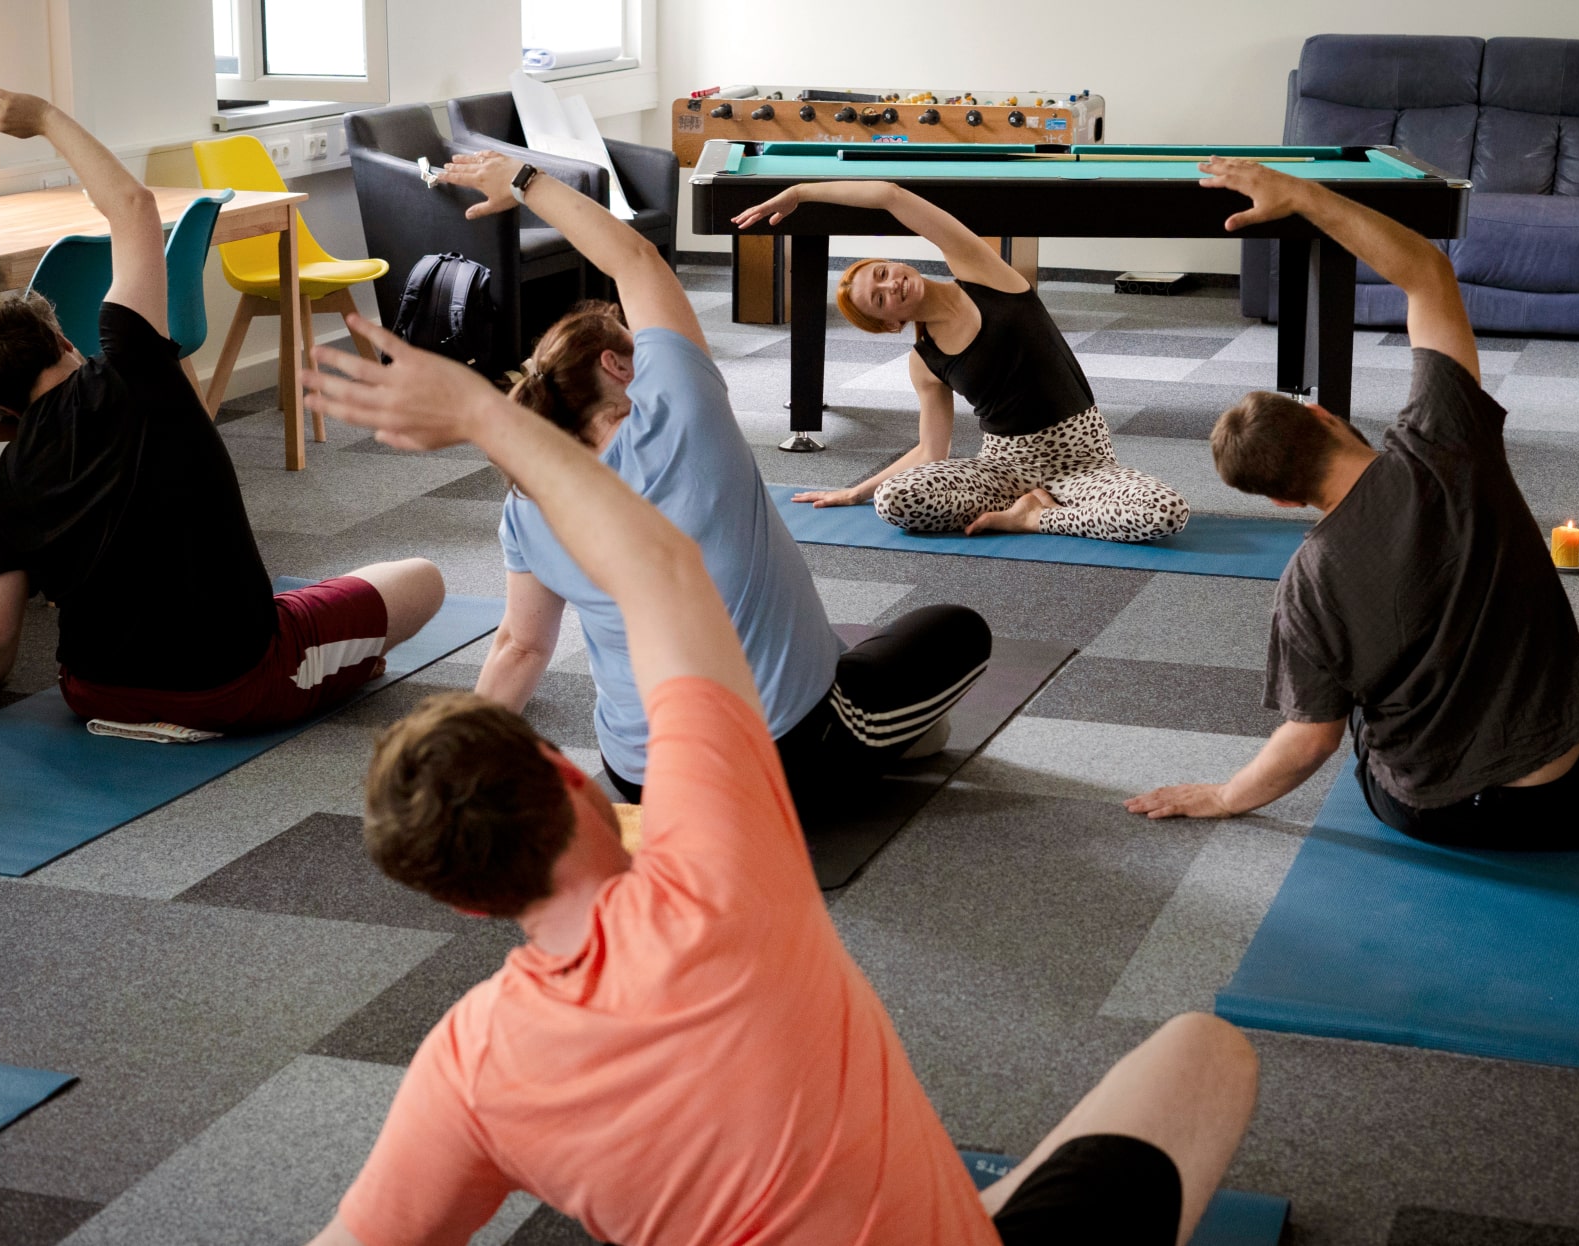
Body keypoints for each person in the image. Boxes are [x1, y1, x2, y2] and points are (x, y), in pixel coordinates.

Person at [297, 315, 1259, 1245]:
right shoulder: (722, 868)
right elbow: (663, 570)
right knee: (1206, 1050)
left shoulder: (466, 1066)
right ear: (563, 772)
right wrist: (477, 411)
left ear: (466, 904)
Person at [1126, 157, 1579, 846]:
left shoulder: (1303, 589)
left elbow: (1310, 740)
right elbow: (1426, 270)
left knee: (1353, 691)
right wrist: (1301, 195)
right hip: (1550, 801)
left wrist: (1221, 796)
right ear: (1328, 418)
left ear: (1278, 500)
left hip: (1427, 816)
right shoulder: (1447, 438)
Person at [436, 150, 990, 810]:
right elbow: (635, 260)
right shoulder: (681, 410)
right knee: (956, 630)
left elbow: (521, 646)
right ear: (618, 367)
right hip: (787, 757)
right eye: (634, 342)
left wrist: (456, 775)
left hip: (641, 778)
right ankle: (896, 740)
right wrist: (523, 180)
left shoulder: (526, 501)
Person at [0, 88, 443, 732]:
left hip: (94, 693)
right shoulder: (135, 362)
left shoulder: (0, 492)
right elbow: (132, 207)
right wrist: (40, 118)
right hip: (230, 687)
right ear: (63, 341)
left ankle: (323, 649)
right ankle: (327, 659)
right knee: (421, 578)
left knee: (302, 605)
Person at [732, 180, 1189, 544]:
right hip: (1003, 468)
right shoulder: (924, 363)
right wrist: (857, 491)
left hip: (1083, 463)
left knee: (1164, 513)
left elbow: (891, 196)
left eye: (884, 273)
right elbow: (932, 453)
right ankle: (1027, 507)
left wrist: (799, 193)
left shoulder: (983, 273)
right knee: (895, 502)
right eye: (880, 298)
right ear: (889, 324)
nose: (893, 286)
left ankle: (1034, 519)